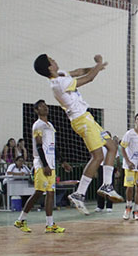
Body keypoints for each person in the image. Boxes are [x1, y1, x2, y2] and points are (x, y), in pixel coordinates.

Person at [33, 52, 123, 214]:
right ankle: (79, 193)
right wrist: (98, 65)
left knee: (112, 146)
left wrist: (96, 67)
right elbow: (88, 79)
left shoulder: (61, 75)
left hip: (87, 118)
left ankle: (107, 185)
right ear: (49, 67)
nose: (55, 59)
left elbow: (79, 71)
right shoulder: (58, 83)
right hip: (81, 120)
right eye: (52, 60)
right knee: (97, 157)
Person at [15, 99, 64, 234]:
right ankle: (21, 220)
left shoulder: (50, 125)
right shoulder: (38, 125)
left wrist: (62, 161)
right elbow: (38, 146)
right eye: (42, 107)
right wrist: (45, 165)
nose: (45, 108)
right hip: (42, 164)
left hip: (51, 163)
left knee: (50, 194)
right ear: (36, 110)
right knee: (38, 193)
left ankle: (49, 224)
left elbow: (53, 146)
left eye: (46, 106)